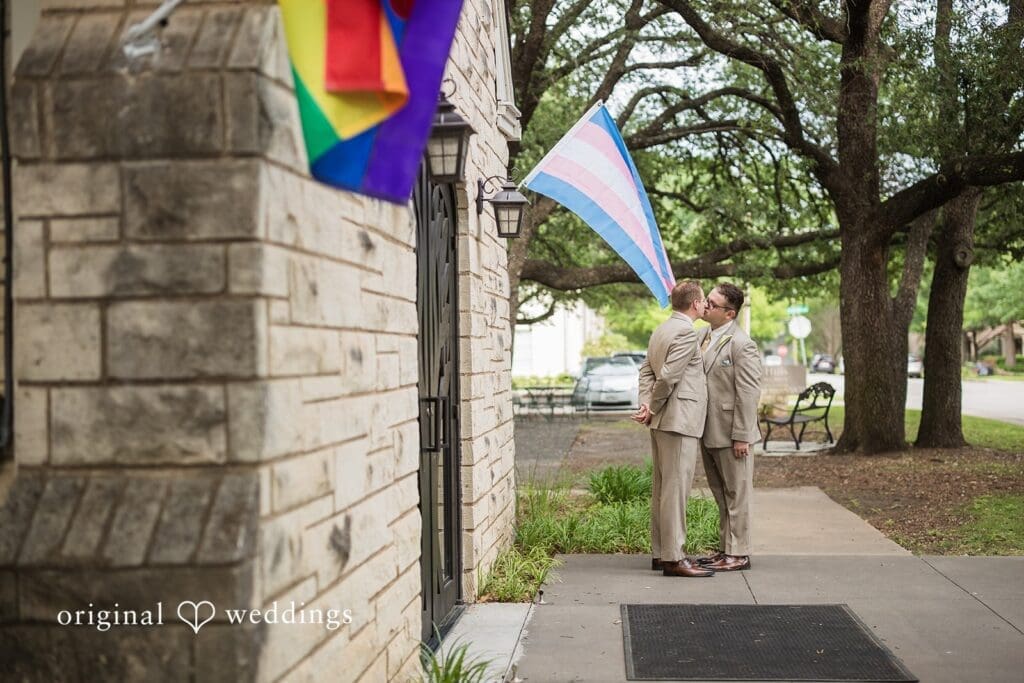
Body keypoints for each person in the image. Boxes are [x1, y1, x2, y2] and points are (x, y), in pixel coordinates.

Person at [633, 280, 713, 578]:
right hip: (678, 421)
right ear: (695, 304)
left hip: (663, 421)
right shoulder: (683, 332)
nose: (705, 305)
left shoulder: (662, 329)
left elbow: (646, 371)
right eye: (704, 301)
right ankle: (674, 558)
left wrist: (645, 404)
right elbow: (667, 378)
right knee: (676, 490)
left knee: (663, 489)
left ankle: (660, 552)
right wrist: (651, 407)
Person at [695, 283, 762, 572]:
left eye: (711, 302)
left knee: (737, 494)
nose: (705, 305)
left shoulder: (741, 343)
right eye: (706, 300)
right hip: (707, 430)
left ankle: (739, 554)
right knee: (721, 493)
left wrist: (743, 437)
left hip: (732, 432)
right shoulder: (702, 336)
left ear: (729, 313)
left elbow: (748, 393)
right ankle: (725, 549)